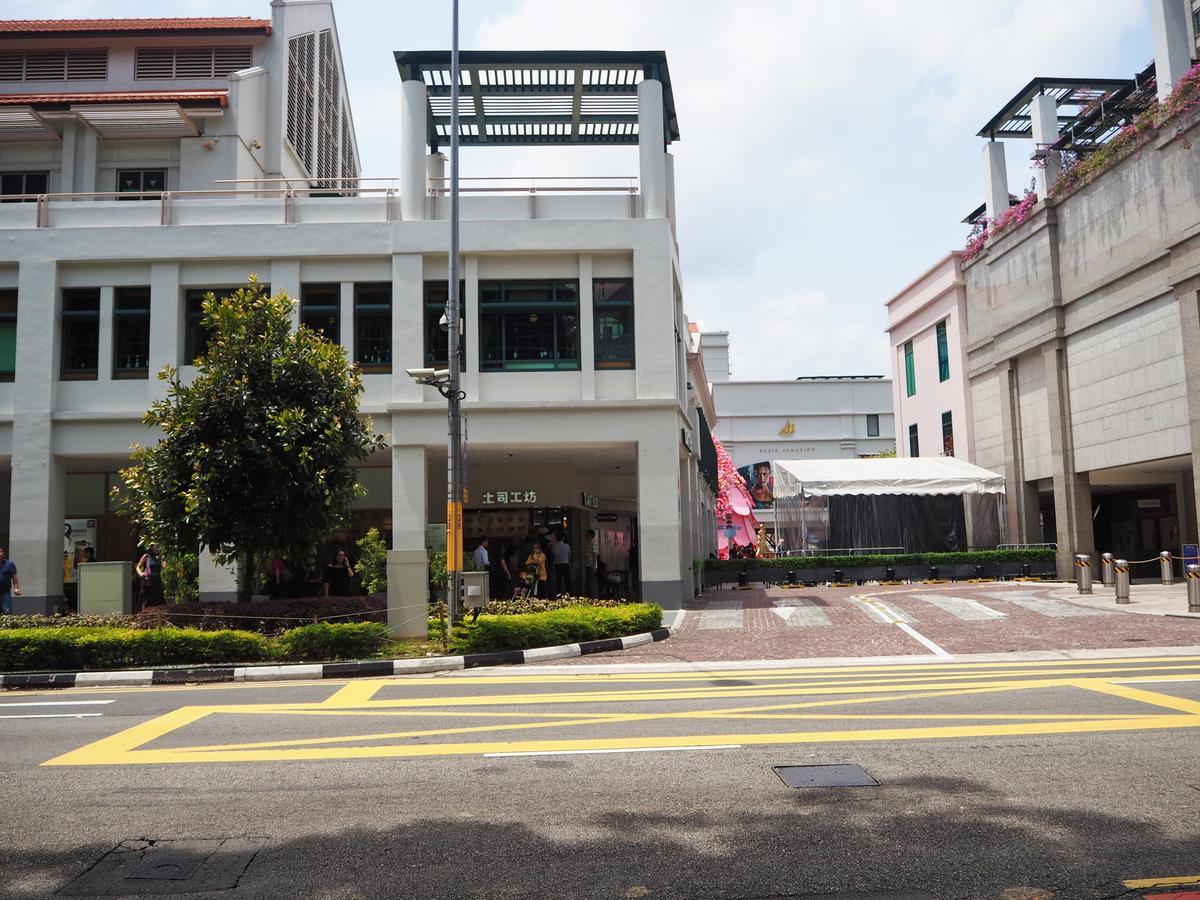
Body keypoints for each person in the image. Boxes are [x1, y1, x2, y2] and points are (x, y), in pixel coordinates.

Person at [135, 545, 164, 609]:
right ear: (151, 548)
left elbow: (164, 566)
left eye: (158, 547)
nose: (158, 548)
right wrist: (141, 573)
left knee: (158, 600)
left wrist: (163, 557)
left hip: (157, 581)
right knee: (147, 600)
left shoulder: (158, 558)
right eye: (156, 547)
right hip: (148, 581)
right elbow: (138, 567)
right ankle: (144, 614)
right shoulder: (146, 556)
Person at [548, 531, 571, 597]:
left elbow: (552, 556)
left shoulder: (554, 546)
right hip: (565, 564)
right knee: (567, 580)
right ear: (563, 538)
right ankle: (568, 593)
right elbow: (569, 555)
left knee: (558, 580)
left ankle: (559, 594)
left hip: (557, 565)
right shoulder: (567, 546)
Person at [0, 548, 20, 615]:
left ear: (3, 553)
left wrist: (16, 588)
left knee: (7, 612)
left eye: (0, 552)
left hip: (5, 592)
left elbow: (14, 577)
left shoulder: (10, 564)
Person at [583, 529, 599, 600]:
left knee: (591, 582)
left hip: (591, 566)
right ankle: (591, 597)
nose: (586, 537)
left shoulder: (593, 543)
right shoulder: (589, 543)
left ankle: (594, 597)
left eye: (587, 535)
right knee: (589, 582)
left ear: (591, 536)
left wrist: (594, 566)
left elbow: (595, 555)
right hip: (588, 565)